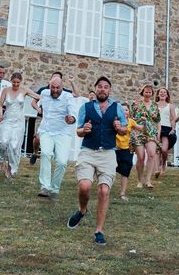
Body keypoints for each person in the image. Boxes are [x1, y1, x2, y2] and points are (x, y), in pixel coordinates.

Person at [67, 76, 128, 246]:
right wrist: (84, 130)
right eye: (99, 87)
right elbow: (78, 130)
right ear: (95, 89)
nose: (102, 89)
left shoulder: (117, 108)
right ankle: (82, 210)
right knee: (85, 186)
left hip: (108, 153)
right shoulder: (86, 107)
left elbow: (124, 130)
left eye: (106, 87)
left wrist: (119, 128)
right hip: (87, 152)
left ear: (109, 90)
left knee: (103, 191)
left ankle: (99, 231)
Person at [34, 76, 75, 200]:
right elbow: (35, 101)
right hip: (46, 131)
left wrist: (71, 119)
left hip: (63, 133)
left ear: (62, 87)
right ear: (49, 86)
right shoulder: (44, 93)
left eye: (58, 88)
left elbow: (73, 114)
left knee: (62, 162)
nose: (55, 90)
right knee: (46, 154)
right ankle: (45, 187)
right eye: (53, 87)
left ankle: (54, 188)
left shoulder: (68, 97)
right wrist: (37, 108)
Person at [0, 72, 40, 178]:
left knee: (14, 146)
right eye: (14, 82)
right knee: (2, 142)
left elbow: (38, 96)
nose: (16, 84)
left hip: (19, 122)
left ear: (20, 82)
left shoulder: (24, 90)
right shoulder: (6, 90)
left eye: (18, 83)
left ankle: (10, 168)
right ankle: (0, 164)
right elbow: (0, 104)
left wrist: (34, 103)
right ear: (11, 81)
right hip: (7, 120)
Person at [30, 72, 76, 165]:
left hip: (57, 123)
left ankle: (49, 155)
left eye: (58, 78)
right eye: (54, 78)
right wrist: (38, 109)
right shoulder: (43, 90)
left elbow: (76, 94)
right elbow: (33, 102)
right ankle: (35, 153)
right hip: (42, 118)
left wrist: (72, 82)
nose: (55, 88)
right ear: (50, 80)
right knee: (37, 137)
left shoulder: (64, 92)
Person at [130, 84, 161, 189]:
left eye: (150, 92)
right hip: (138, 131)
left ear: (152, 94)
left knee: (152, 154)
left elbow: (157, 120)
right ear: (142, 92)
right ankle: (139, 180)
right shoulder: (136, 104)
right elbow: (130, 118)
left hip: (151, 131)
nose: (148, 94)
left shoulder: (155, 106)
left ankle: (148, 180)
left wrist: (158, 133)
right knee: (141, 157)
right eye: (146, 91)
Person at [115, 102, 141, 201]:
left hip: (126, 149)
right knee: (110, 171)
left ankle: (122, 193)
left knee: (125, 171)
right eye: (121, 110)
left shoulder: (131, 122)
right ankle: (105, 189)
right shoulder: (115, 121)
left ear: (129, 112)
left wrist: (145, 123)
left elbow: (142, 128)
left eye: (126, 109)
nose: (124, 111)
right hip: (114, 149)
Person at [155, 87, 177, 178]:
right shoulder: (154, 105)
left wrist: (173, 128)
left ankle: (163, 163)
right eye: (161, 92)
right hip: (156, 128)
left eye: (164, 92)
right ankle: (156, 169)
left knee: (164, 149)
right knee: (156, 150)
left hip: (166, 129)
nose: (163, 93)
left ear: (167, 95)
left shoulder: (170, 106)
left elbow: (173, 119)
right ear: (158, 94)